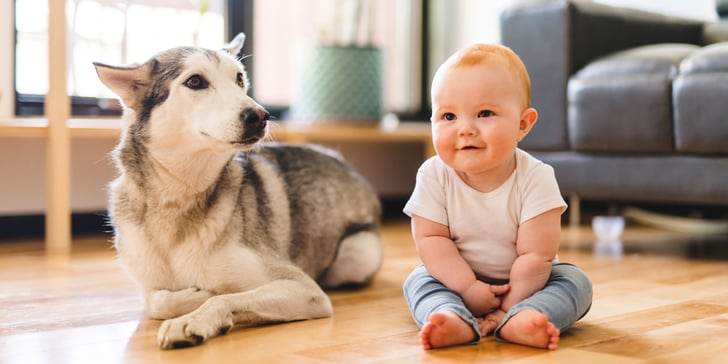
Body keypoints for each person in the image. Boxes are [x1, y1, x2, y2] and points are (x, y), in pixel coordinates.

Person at [402, 44, 592, 350]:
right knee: (418, 280)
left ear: (522, 124)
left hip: (529, 283)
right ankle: (450, 317)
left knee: (575, 281)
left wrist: (508, 306)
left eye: (484, 113)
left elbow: (536, 255)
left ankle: (524, 317)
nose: (465, 129)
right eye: (448, 116)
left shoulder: (536, 177)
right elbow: (431, 240)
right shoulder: (433, 175)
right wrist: (467, 287)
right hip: (455, 278)